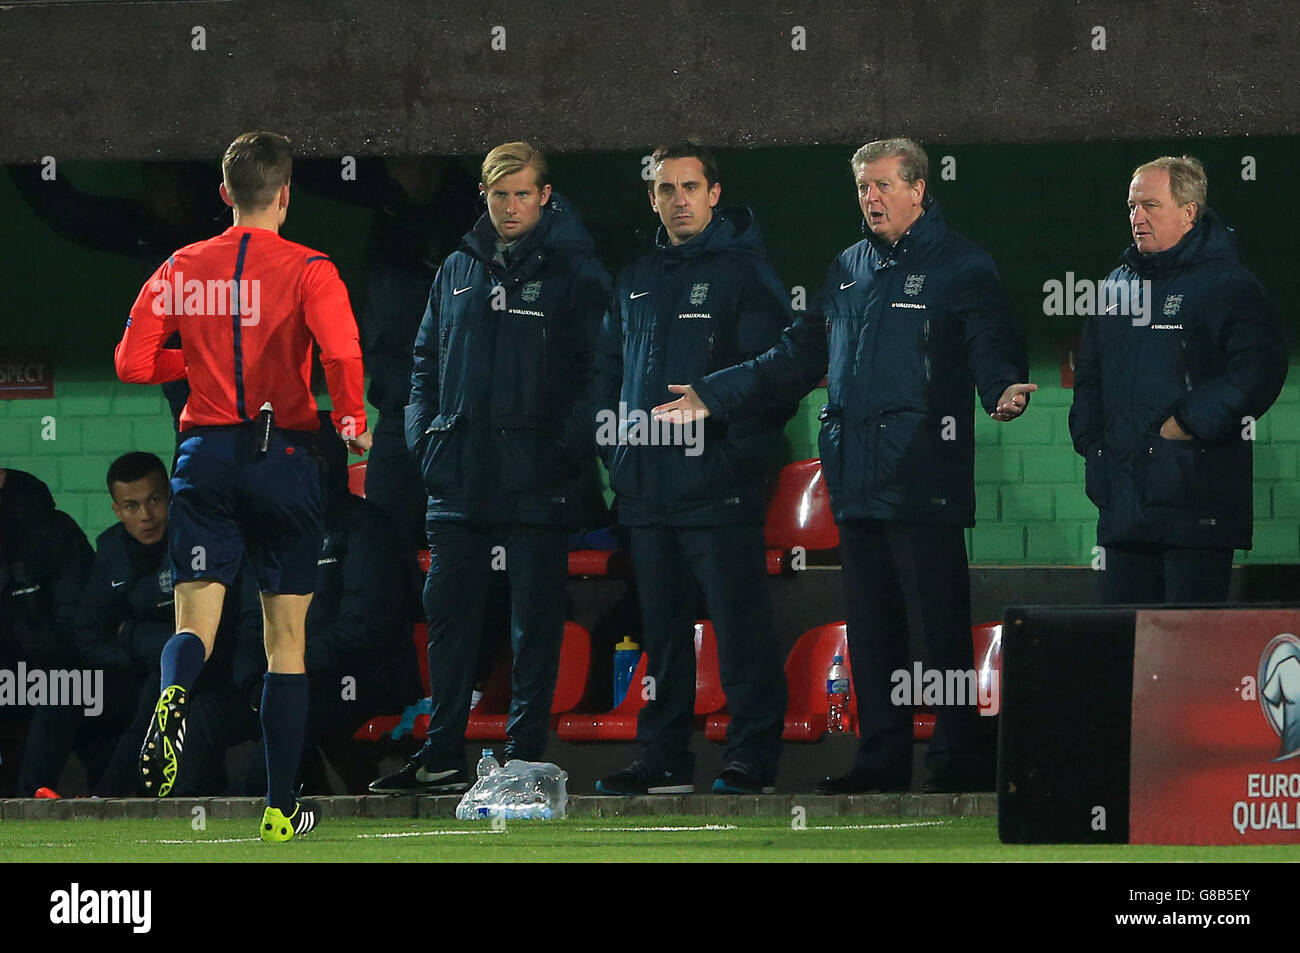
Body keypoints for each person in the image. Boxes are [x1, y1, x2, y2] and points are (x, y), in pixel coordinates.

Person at [655, 138, 1035, 793]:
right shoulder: (849, 268)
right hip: (856, 483)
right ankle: (881, 759)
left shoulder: (963, 264)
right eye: (863, 187)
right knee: (873, 633)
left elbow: (990, 340)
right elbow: (792, 357)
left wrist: (1001, 385)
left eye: (884, 185)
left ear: (918, 189)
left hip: (925, 480)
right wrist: (714, 392)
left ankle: (956, 758)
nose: (871, 198)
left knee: (938, 630)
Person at [114, 130, 370, 841]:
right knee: (284, 641)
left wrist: (194, 363)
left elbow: (132, 362)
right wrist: (350, 416)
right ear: (285, 193)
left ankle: (173, 692)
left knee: (194, 622)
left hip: (204, 455)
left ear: (224, 193)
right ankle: (281, 808)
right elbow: (341, 349)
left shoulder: (180, 265)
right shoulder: (311, 267)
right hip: (283, 452)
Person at [368, 141, 610, 794]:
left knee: (533, 625)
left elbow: (601, 374)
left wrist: (563, 447)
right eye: (499, 195)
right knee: (448, 620)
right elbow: (424, 363)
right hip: (459, 479)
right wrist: (427, 439)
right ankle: (442, 755)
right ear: (484, 196)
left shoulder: (577, 273)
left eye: (523, 194)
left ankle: (525, 759)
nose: (510, 206)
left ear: (545, 196)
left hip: (540, 481)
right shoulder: (457, 268)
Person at [591, 141, 794, 796]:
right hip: (647, 492)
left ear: (714, 193)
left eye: (689, 186)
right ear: (652, 197)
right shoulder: (635, 278)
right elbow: (604, 373)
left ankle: (751, 756)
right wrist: (617, 449)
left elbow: (778, 378)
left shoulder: (748, 274)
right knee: (664, 638)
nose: (678, 199)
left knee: (740, 633)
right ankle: (663, 754)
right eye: (665, 188)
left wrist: (734, 455)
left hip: (720, 488)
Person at [1068, 156, 1287, 603]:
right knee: (1124, 651)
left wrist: (1186, 423)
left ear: (1189, 212)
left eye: (1150, 205)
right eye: (1131, 206)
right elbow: (1089, 374)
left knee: (1187, 658)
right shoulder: (1114, 287)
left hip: (1196, 508)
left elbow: (1258, 369)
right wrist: (1092, 442)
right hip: (1124, 508)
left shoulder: (1229, 285)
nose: (1137, 217)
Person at [74, 452, 260, 797]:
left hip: (218, 674)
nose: (146, 516)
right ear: (117, 510)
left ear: (172, 496)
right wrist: (142, 655)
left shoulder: (203, 540)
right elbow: (88, 636)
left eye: (155, 500)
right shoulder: (112, 551)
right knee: (63, 695)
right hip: (137, 673)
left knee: (173, 701)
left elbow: (224, 632)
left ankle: (118, 801)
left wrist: (132, 635)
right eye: (131, 506)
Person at [0, 470, 95, 796]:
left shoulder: (53, 532)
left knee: (64, 685)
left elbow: (74, 635)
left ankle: (30, 804)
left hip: (57, 673)